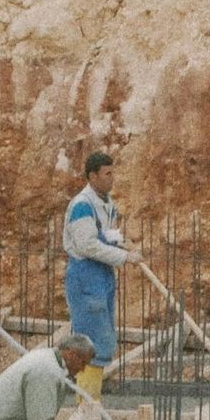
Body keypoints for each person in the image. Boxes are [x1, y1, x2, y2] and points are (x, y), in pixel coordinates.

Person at [62, 152, 141, 401]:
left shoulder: (106, 202)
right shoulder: (82, 205)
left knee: (102, 339)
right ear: (92, 176)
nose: (112, 179)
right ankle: (85, 406)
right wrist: (123, 258)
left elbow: (104, 235)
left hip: (102, 274)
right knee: (91, 341)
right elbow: (87, 245)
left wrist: (120, 243)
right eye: (107, 174)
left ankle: (89, 402)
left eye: (112, 173)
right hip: (86, 275)